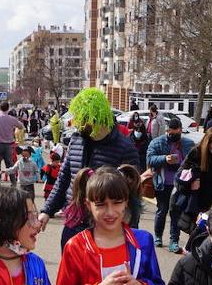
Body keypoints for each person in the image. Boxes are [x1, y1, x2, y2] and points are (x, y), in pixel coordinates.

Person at [39, 88, 140, 244]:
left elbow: (132, 196)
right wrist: (47, 210)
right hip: (73, 222)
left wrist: (131, 230)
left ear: (100, 117)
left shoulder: (125, 147)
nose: (82, 126)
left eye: (87, 120)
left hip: (104, 226)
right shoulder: (76, 139)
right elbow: (63, 179)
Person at [146, 117, 195, 251]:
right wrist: (164, 159)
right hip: (162, 183)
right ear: (167, 131)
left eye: (177, 133)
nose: (173, 136)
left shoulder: (187, 144)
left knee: (176, 212)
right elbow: (149, 159)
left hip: (179, 185)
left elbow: (195, 161)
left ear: (181, 131)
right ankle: (158, 236)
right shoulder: (158, 142)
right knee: (162, 210)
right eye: (171, 133)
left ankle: (174, 240)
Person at [0, 102, 24, 179]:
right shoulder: (12, 119)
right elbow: (21, 126)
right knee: (10, 165)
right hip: (8, 146)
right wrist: (12, 128)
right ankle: (13, 183)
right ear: (8, 108)